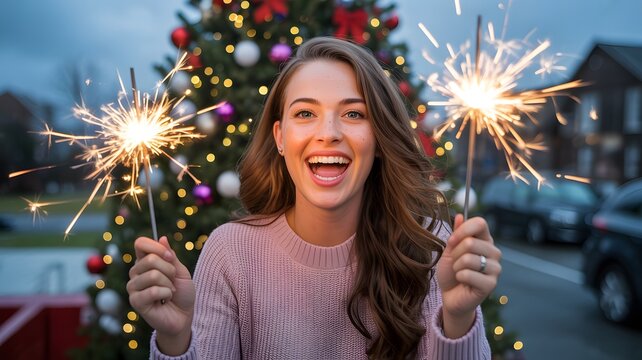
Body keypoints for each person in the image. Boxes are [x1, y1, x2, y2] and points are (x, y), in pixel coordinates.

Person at [127, 37, 501, 359]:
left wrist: (457, 318)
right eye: (305, 113)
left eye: (354, 113)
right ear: (279, 137)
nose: (328, 133)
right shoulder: (231, 253)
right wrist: (176, 339)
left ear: (380, 138)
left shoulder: (432, 248)